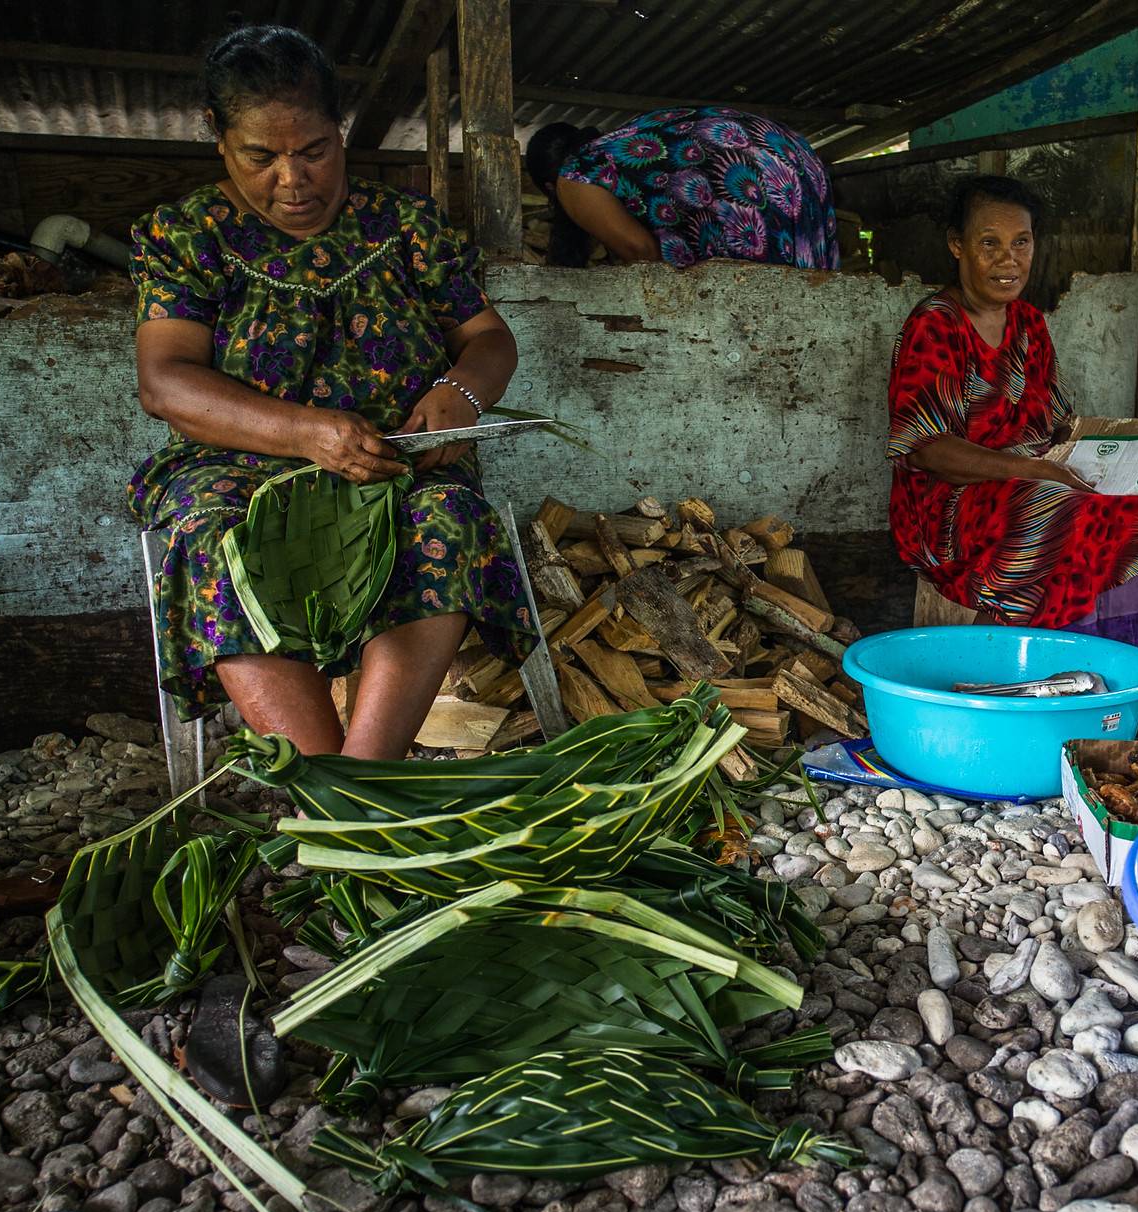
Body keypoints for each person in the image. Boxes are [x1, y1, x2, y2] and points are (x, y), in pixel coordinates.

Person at [129, 23, 537, 760]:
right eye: (262, 156)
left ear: (339, 131)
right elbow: (166, 382)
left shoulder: (404, 225)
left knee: (447, 519)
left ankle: (360, 786)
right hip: (239, 469)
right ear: (216, 137)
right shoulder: (187, 235)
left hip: (395, 461)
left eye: (313, 150)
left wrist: (460, 397)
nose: (293, 179)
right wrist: (306, 434)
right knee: (217, 538)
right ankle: (324, 785)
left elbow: (489, 339)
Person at [885, 175, 1138, 644]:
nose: (1008, 259)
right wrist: (1036, 470)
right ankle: (1017, 658)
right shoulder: (935, 326)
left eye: (1021, 242)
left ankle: (1124, 653)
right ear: (957, 245)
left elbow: (1055, 423)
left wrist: (1122, 459)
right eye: (989, 243)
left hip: (1030, 477)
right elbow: (926, 451)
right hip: (947, 507)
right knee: (1061, 508)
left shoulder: (1029, 323)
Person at [527, 109, 839, 270]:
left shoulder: (574, 175)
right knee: (807, 284)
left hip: (744, 166)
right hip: (789, 149)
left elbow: (643, 255)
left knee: (760, 301)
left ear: (547, 187)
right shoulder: (620, 146)